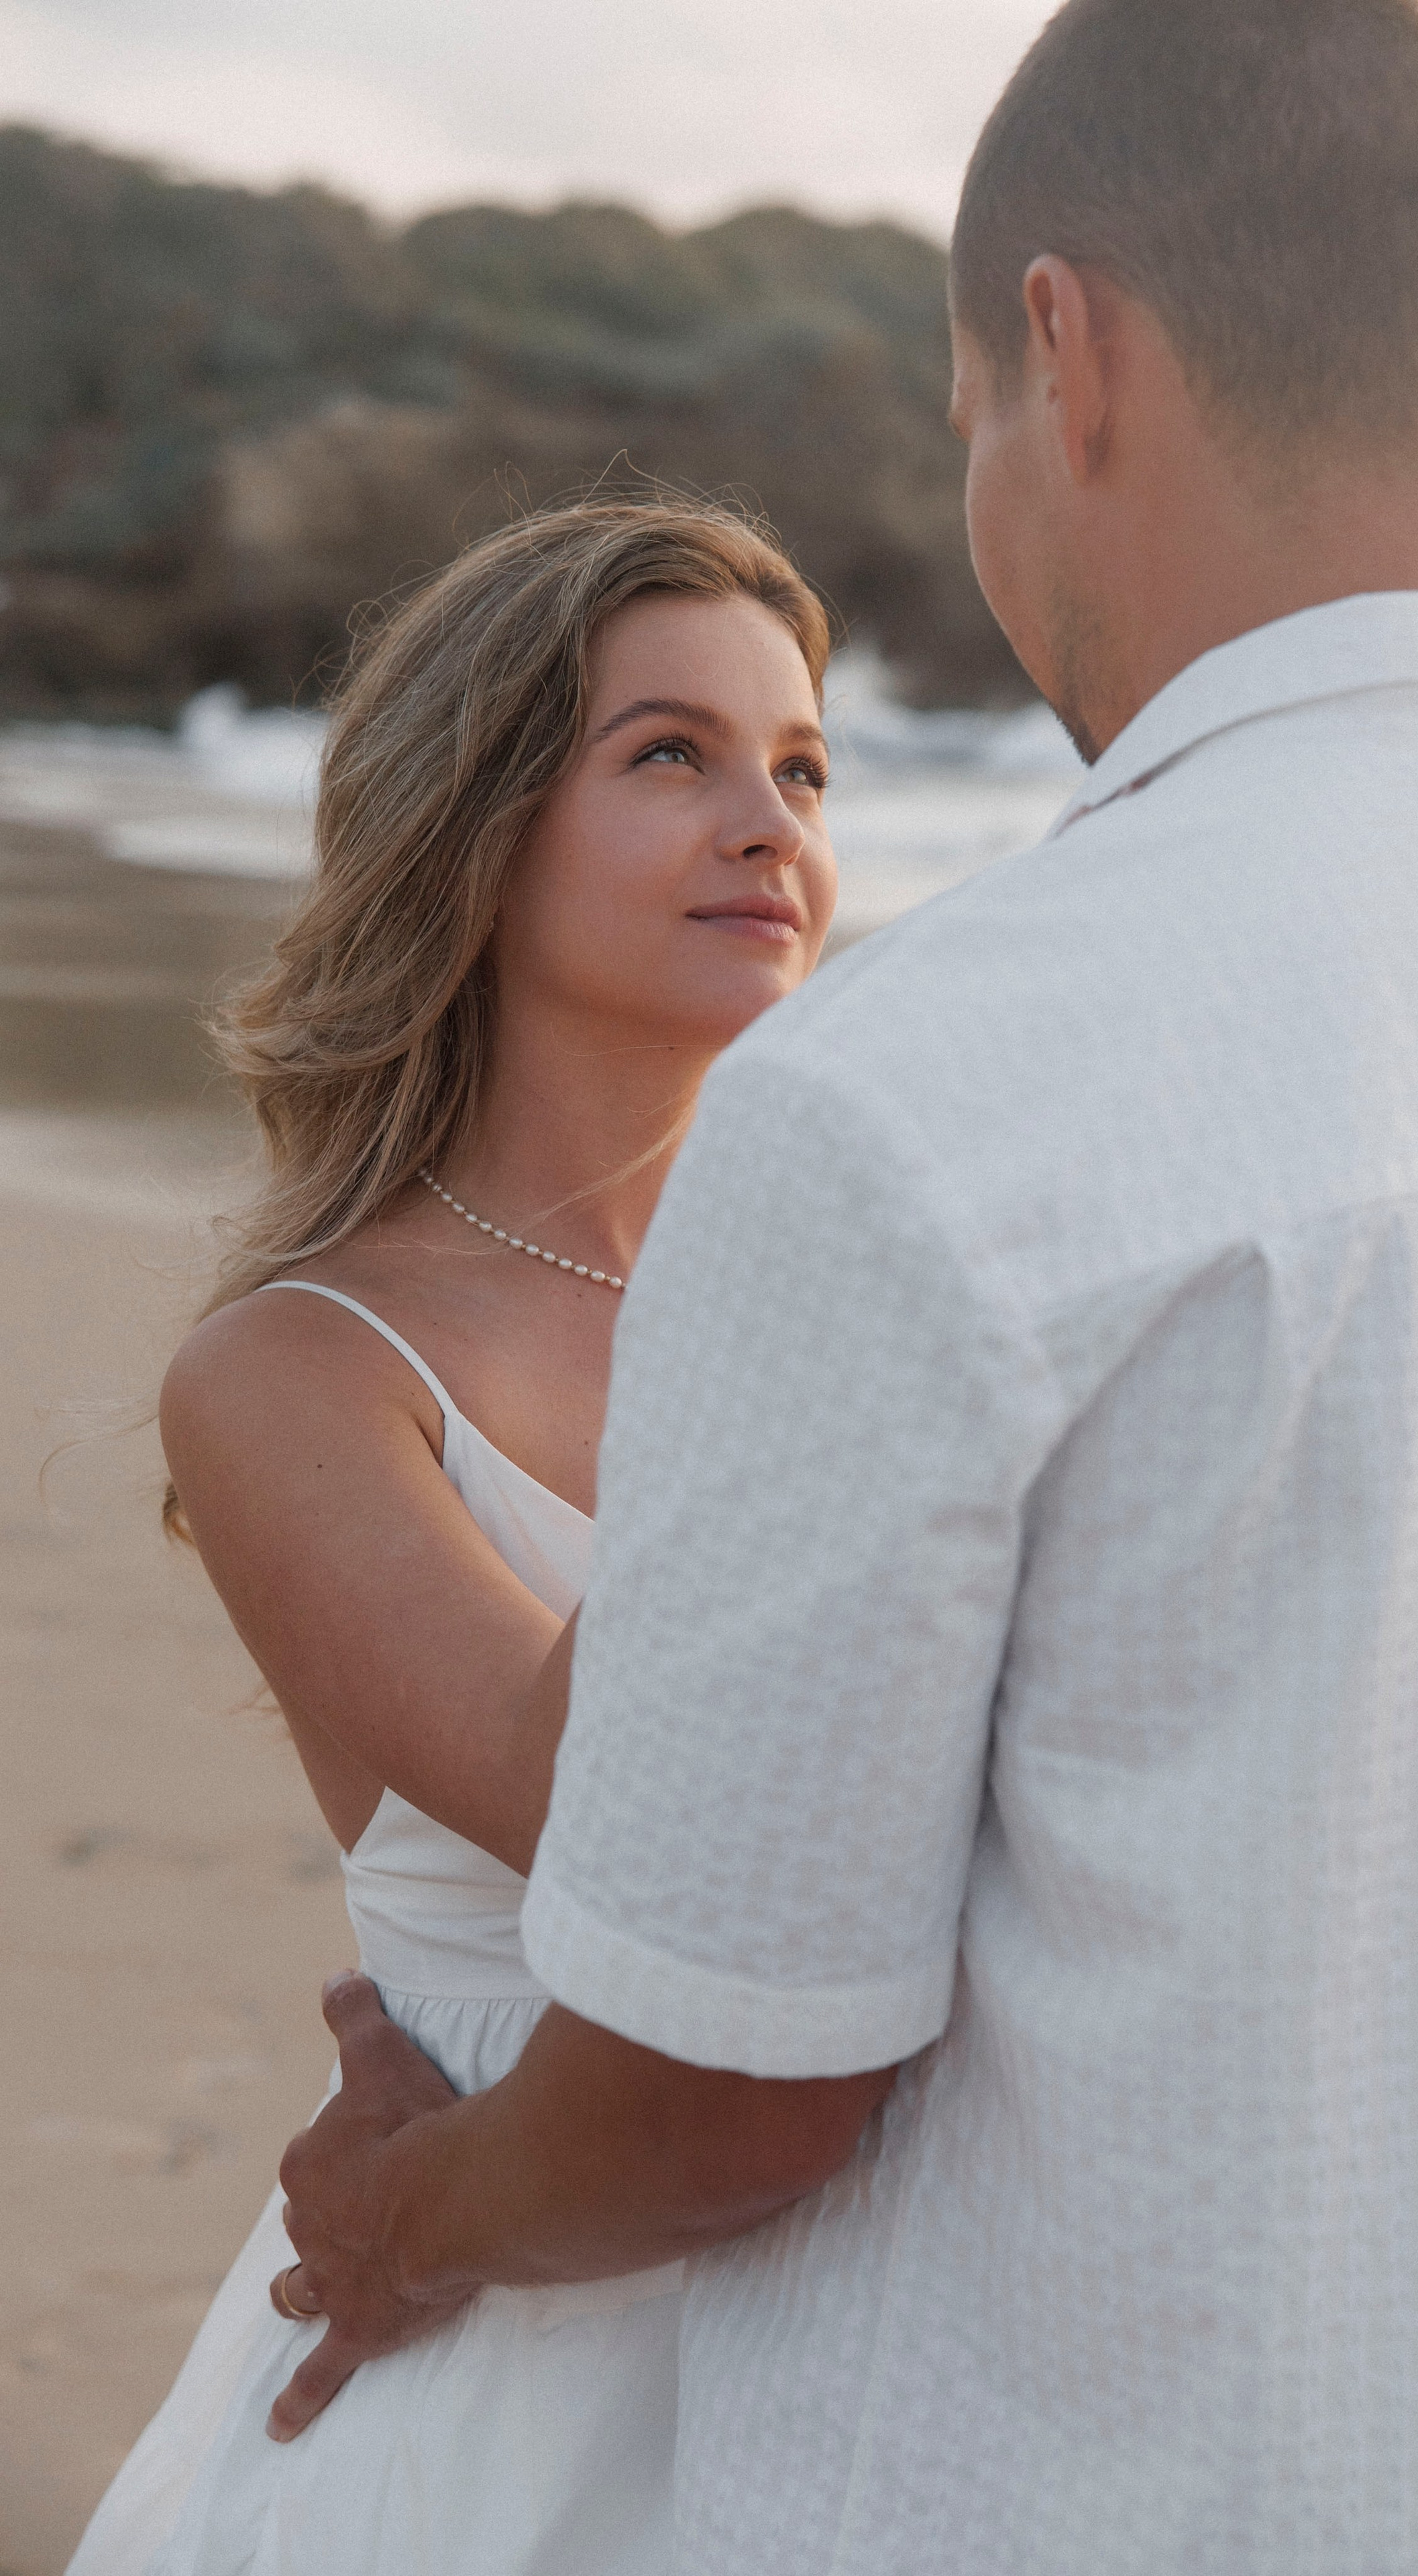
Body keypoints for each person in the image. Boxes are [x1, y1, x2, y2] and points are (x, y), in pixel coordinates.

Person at [270, 1, 1418, 2567]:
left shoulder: (925, 1096)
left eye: (963, 416)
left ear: (1065, 352)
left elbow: (728, 2085)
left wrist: (418, 2213)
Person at [64, 496, 839, 2576]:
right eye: (668, 752)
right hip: (507, 2365)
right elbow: (600, 1797)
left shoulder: (853, 1284)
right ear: (476, 826)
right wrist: (812, 1283)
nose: (769, 820)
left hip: (864, 2300)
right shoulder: (296, 1370)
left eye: (803, 764)